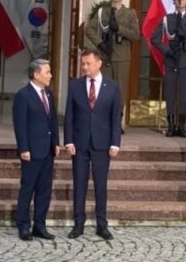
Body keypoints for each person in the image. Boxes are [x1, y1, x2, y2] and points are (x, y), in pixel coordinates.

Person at [64, 48, 122, 240]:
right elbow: (69, 116)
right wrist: (68, 140)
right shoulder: (75, 86)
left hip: (102, 144)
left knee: (100, 185)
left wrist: (115, 143)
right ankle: (78, 224)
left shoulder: (112, 87)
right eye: (83, 64)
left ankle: (101, 224)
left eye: (88, 63)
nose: (84, 67)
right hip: (80, 143)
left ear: (99, 64)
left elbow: (115, 117)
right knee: (79, 184)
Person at [12, 59, 60, 241]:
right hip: (31, 151)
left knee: (44, 190)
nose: (50, 75)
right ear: (36, 74)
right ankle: (24, 226)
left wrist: (56, 142)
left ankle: (40, 225)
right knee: (28, 188)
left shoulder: (48, 93)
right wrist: (23, 148)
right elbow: (20, 124)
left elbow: (53, 120)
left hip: (47, 150)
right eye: (47, 72)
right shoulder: (23, 95)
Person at [85, 0, 140, 133]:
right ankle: (104, 120)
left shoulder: (130, 13)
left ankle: (117, 121)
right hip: (105, 54)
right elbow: (89, 29)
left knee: (120, 89)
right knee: (104, 88)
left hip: (122, 56)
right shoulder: (103, 12)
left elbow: (136, 35)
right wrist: (100, 43)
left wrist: (119, 29)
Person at [151, 0, 186, 137]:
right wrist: (167, 51)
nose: (180, 1)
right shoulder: (167, 19)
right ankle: (170, 125)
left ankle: (181, 125)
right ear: (174, 2)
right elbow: (155, 39)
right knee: (170, 93)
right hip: (171, 59)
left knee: (185, 94)